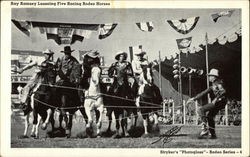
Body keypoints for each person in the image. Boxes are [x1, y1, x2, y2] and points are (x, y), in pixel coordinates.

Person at [187, 68, 227, 139]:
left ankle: (205, 129)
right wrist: (193, 99)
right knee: (209, 117)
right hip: (220, 102)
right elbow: (203, 93)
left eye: (210, 76)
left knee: (201, 110)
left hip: (219, 102)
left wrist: (216, 98)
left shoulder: (218, 83)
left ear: (214, 77)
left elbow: (223, 92)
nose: (209, 77)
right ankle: (213, 135)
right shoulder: (214, 84)